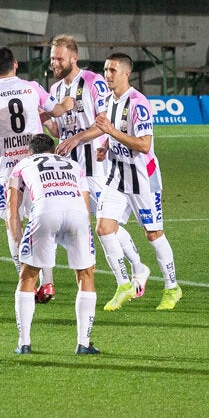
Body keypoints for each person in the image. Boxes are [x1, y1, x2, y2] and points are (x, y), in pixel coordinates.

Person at [59, 52, 181, 310]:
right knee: (103, 228)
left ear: (127, 73)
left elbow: (145, 145)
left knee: (153, 233)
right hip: (116, 176)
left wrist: (111, 132)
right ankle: (124, 284)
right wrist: (107, 146)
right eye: (105, 70)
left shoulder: (138, 103)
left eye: (113, 70)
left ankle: (172, 287)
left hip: (143, 180)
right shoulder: (108, 100)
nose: (107, 75)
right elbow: (111, 134)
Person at [43, 34, 150, 312]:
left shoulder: (93, 82)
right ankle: (134, 271)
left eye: (59, 58)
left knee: (105, 224)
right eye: (52, 57)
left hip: (96, 165)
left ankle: (137, 269)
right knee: (94, 224)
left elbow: (106, 122)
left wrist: (78, 138)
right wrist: (44, 120)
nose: (54, 62)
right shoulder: (55, 90)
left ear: (73, 58)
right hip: (69, 167)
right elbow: (58, 130)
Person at [0, 46, 74, 304]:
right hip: (36, 162)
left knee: (13, 220)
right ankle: (48, 282)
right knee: (39, 218)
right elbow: (57, 112)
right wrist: (67, 103)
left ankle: (24, 278)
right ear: (16, 64)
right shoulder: (32, 88)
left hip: (8, 166)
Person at [7, 134, 98, 355]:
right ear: (54, 150)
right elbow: (86, 206)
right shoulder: (74, 165)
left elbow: (12, 208)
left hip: (45, 212)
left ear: (31, 152)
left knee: (28, 276)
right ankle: (83, 344)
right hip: (77, 214)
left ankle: (24, 343)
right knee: (86, 274)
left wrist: (19, 240)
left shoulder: (22, 165)